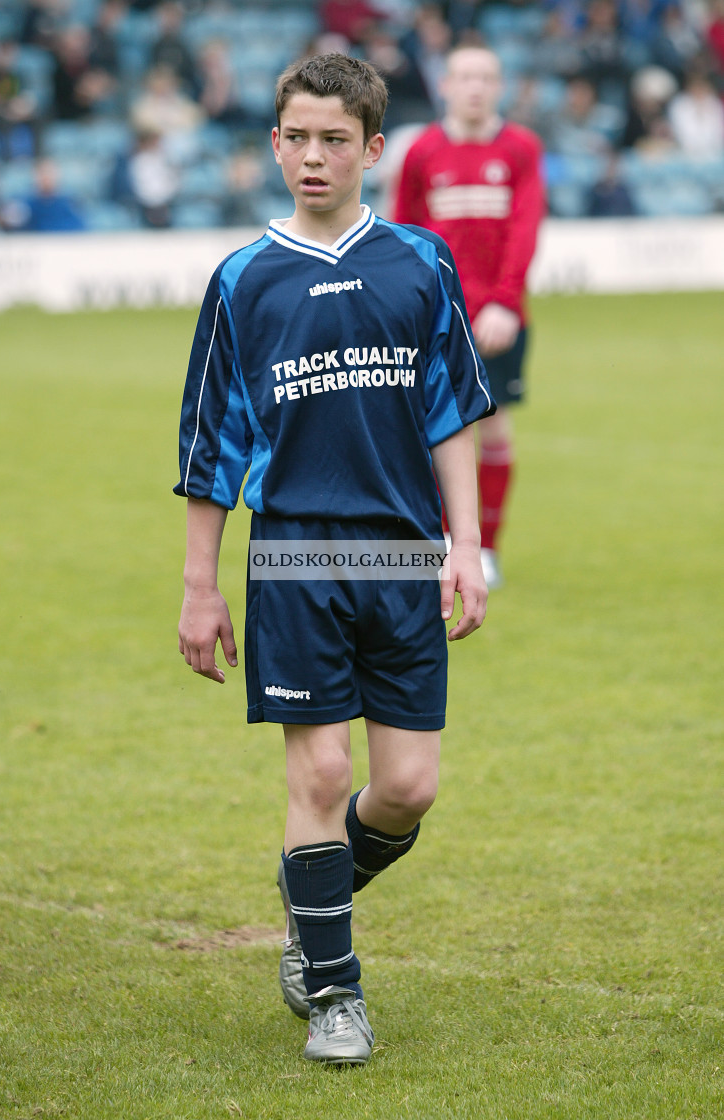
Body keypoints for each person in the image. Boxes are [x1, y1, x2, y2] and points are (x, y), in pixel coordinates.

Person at [175, 52, 494, 1066]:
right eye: (297, 139)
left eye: (335, 141)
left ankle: (311, 900)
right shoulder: (244, 278)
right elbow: (210, 442)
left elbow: (450, 413)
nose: (314, 157)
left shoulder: (420, 261)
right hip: (295, 558)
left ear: (372, 149)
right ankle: (334, 994)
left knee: (407, 788)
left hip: (402, 556)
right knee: (318, 770)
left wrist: (467, 543)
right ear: (275, 144)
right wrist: (198, 587)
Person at [393, 45, 544, 588]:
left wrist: (506, 300)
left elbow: (525, 229)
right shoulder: (422, 151)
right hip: (436, 317)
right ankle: (439, 548)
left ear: (499, 85)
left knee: (494, 428)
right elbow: (405, 234)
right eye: (464, 76)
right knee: (429, 434)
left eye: (485, 77)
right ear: (447, 84)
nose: (475, 87)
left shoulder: (522, 148)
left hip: (499, 318)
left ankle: (486, 552)